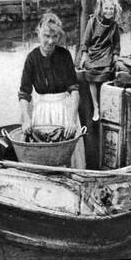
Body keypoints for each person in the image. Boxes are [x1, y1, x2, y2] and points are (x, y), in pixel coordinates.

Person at [18, 13, 85, 168]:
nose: (50, 41)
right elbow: (24, 94)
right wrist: (27, 119)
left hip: (63, 109)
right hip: (41, 111)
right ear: (39, 34)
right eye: (46, 36)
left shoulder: (64, 55)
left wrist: (72, 119)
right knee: (41, 155)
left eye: (55, 37)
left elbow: (74, 90)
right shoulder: (32, 58)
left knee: (67, 156)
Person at [78, 0, 122, 121]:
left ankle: (105, 105)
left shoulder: (114, 25)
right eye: (106, 8)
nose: (108, 11)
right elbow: (85, 41)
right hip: (94, 53)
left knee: (107, 73)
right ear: (101, 8)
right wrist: (84, 56)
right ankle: (96, 107)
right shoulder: (92, 21)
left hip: (106, 52)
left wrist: (115, 55)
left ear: (114, 10)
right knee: (91, 75)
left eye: (111, 9)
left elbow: (117, 43)